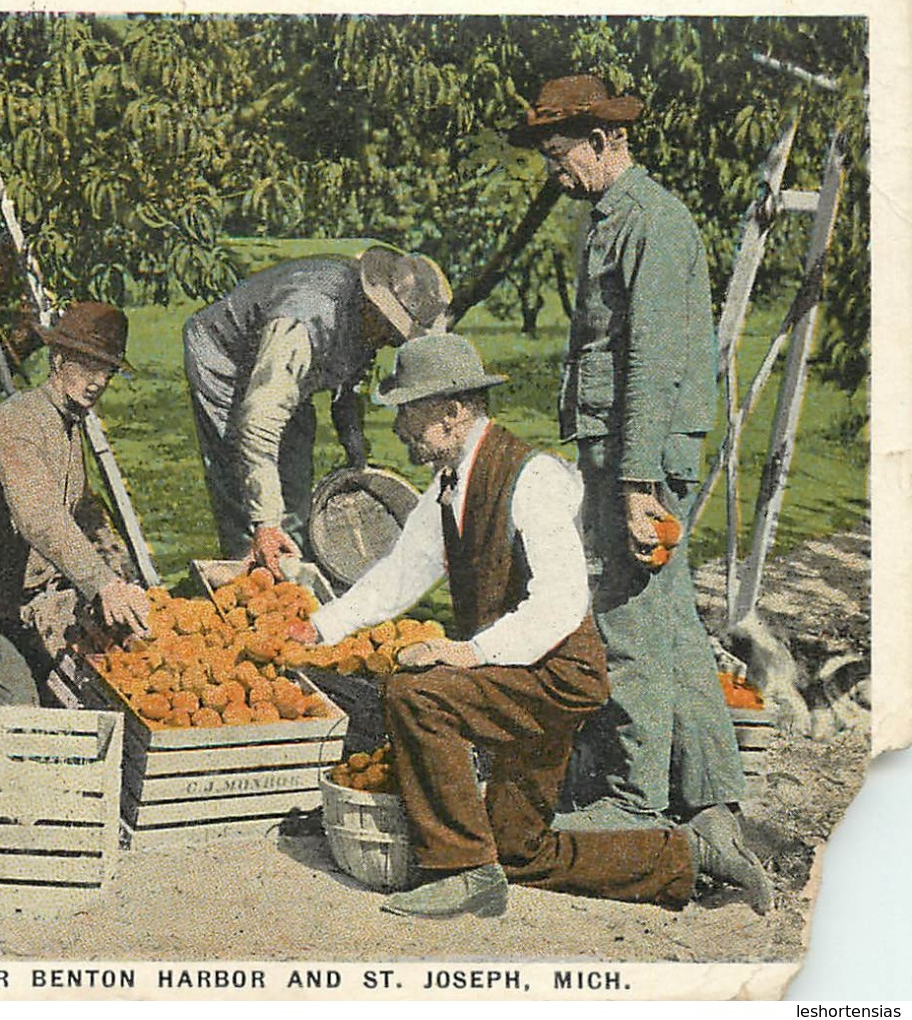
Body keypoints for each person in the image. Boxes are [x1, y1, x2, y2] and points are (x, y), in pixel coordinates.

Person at [292, 334, 771, 918]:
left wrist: (467, 654)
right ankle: (686, 857)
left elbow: (562, 604)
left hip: (557, 676)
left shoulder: (531, 478)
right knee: (520, 850)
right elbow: (399, 573)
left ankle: (461, 870)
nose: (399, 430)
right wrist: (319, 628)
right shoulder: (449, 486)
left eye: (409, 413)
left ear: (452, 412)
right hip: (520, 674)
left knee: (417, 693)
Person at [509, 75, 746, 832]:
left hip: (637, 450)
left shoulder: (649, 219)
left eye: (559, 153)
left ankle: (631, 799)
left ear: (604, 139)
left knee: (628, 621)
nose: (554, 171)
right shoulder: (615, 216)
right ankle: (712, 800)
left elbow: (649, 359)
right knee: (670, 621)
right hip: (624, 444)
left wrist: (638, 482)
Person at [0, 302, 153, 706]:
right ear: (58, 358)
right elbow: (40, 516)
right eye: (87, 366)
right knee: (20, 708)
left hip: (16, 607)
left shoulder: (67, 424)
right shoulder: (17, 424)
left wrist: (124, 575)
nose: (98, 381)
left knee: (70, 691)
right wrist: (101, 584)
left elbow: (83, 510)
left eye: (107, 371)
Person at [182, 247, 451, 578]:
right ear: (372, 305)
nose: (389, 341)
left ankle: (290, 565)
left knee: (294, 471)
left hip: (285, 366)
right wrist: (265, 523)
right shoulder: (307, 315)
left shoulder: (363, 321)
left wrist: (355, 449)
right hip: (226, 356)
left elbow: (348, 385)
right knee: (243, 483)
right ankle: (252, 578)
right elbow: (258, 422)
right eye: (389, 330)